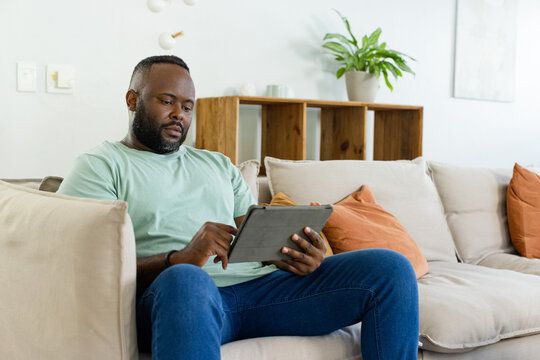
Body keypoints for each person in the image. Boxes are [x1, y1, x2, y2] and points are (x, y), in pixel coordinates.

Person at [57, 55, 419, 360]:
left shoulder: (217, 165)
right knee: (189, 279)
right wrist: (179, 259)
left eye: (187, 106)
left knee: (389, 269)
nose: (178, 115)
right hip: (177, 298)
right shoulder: (100, 165)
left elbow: (257, 239)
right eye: (166, 101)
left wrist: (298, 256)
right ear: (132, 100)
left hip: (260, 293)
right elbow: (87, 266)